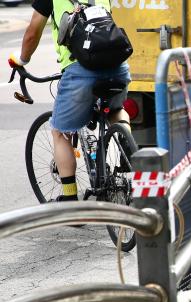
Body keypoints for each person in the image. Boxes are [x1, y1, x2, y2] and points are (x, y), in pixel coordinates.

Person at [8, 0, 131, 201]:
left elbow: (32, 33)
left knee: (59, 132)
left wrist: (21, 59)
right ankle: (125, 145)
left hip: (80, 70)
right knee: (117, 110)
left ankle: (70, 199)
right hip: (118, 67)